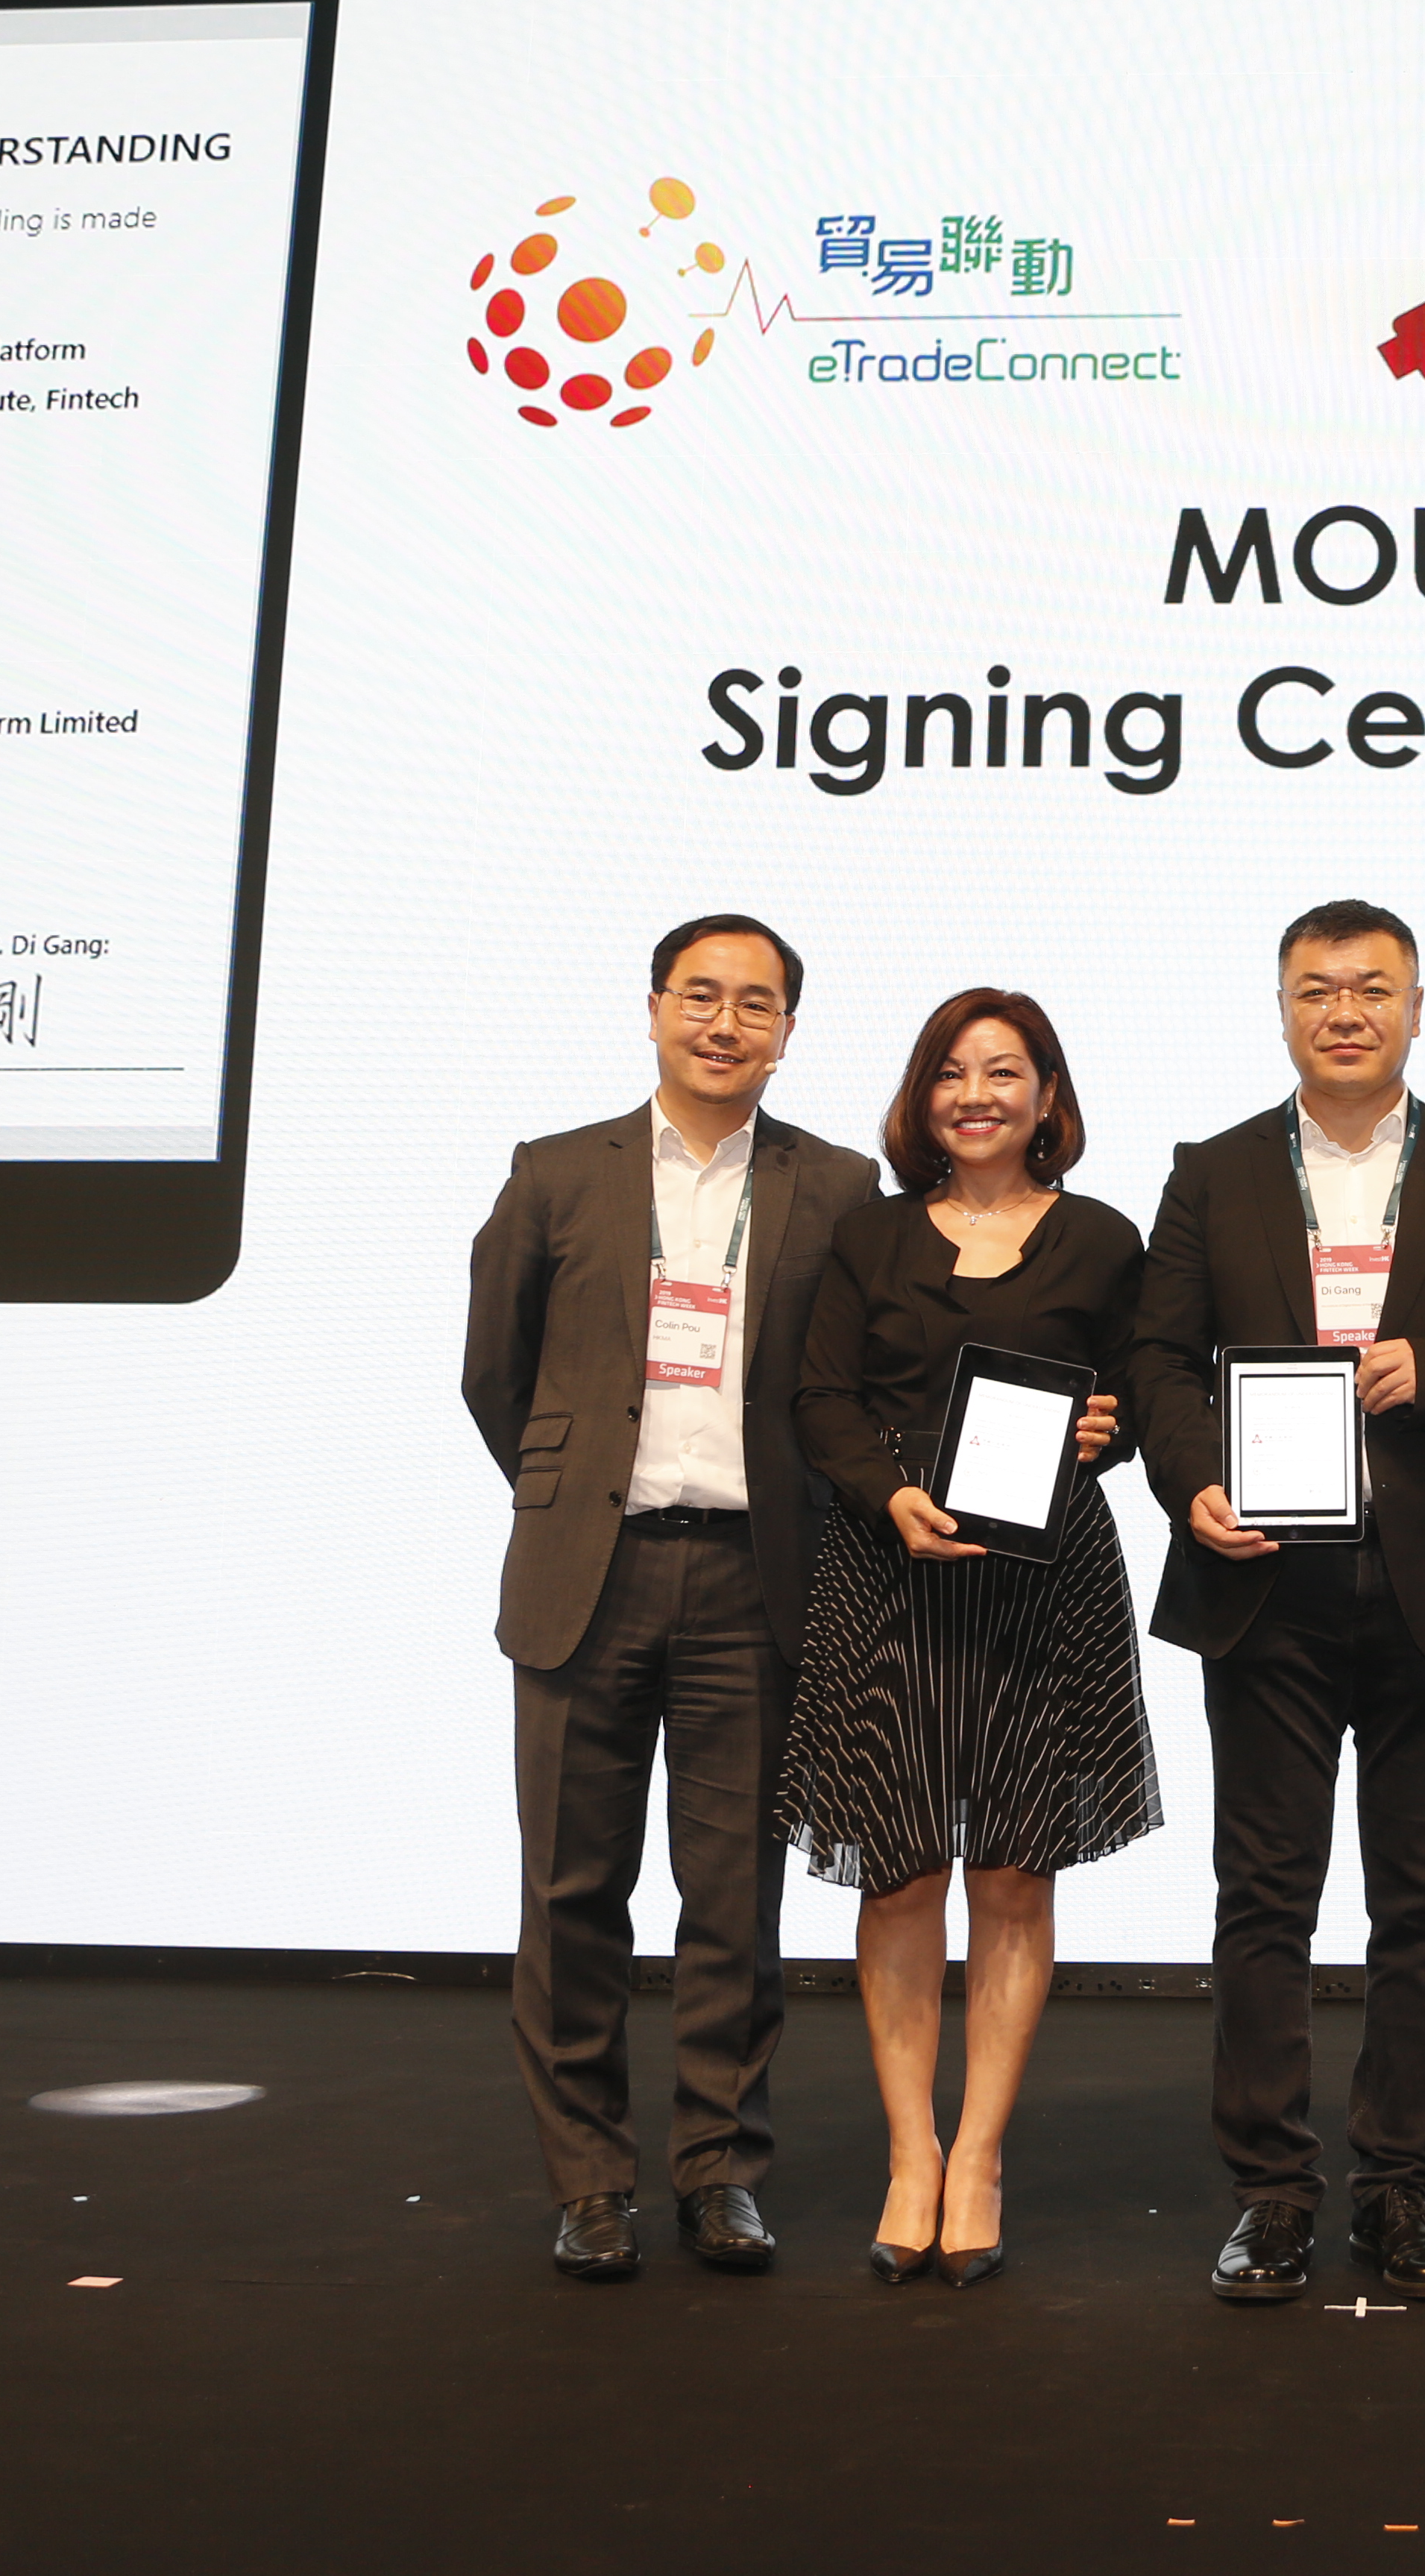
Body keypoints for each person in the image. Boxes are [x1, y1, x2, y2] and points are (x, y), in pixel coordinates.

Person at [1133, 903, 1425, 2305]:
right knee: (1262, 1902)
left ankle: (1404, 2192)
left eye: (1373, 989)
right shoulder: (1212, 1173)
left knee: (1422, 1906)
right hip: (1262, 1579)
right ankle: (1271, 2197)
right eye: (1316, 991)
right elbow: (1156, 1358)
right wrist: (1191, 1480)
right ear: (1281, 1011)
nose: (1345, 1012)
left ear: (1417, 1007)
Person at [462, 913, 881, 2285]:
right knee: (572, 1892)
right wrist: (571, 1491)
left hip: (759, 1579)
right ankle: (590, 2182)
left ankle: (717, 2173)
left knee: (733, 1900)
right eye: (700, 996)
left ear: (787, 1032)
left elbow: (853, 1388)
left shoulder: (836, 1186)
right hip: (593, 1570)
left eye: (755, 1003)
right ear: (652, 1010)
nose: (724, 1022)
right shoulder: (554, 1174)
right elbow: (497, 1372)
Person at [781, 987, 1157, 2286]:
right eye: (952, 1071)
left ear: (1048, 1097)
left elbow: (1144, 1393)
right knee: (897, 1876)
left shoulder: (1106, 1239)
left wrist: (1116, 1431)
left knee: (1009, 1876)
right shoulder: (868, 1237)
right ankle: (910, 2154)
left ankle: (982, 2151)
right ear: (921, 1097)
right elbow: (820, 1397)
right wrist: (888, 1496)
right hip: (887, 1575)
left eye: (1007, 1071)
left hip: (1038, 1588)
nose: (978, 1094)